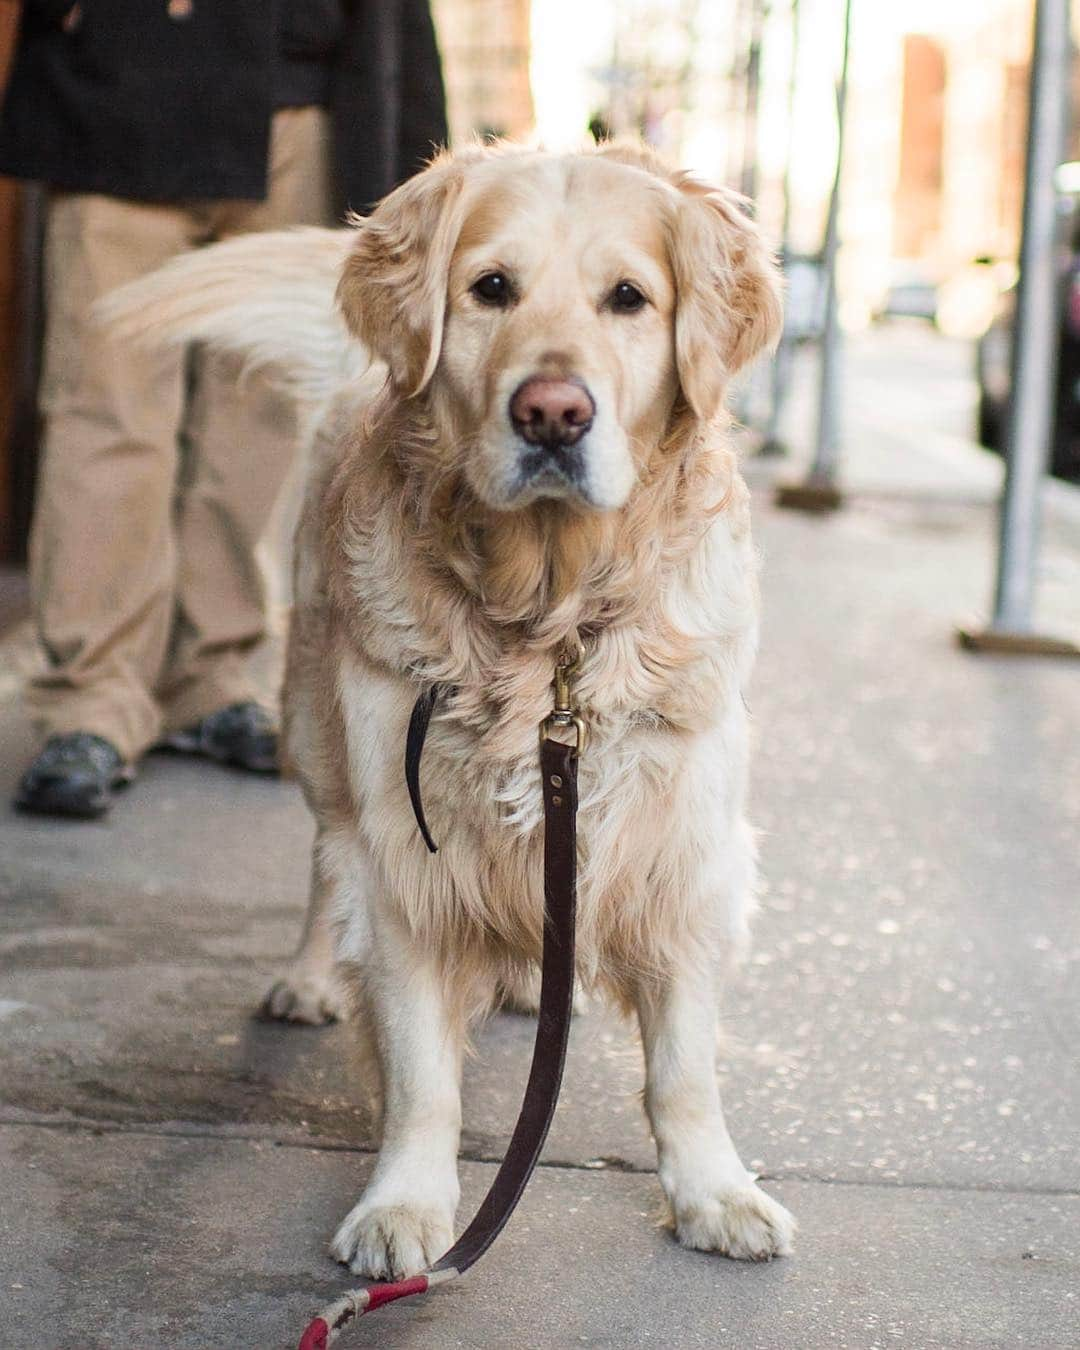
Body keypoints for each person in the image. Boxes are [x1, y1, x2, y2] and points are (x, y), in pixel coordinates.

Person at [0, 0, 447, 818]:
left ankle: (212, 676)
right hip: (121, 89)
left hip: (301, 97)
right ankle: (93, 699)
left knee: (260, 417)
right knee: (105, 410)